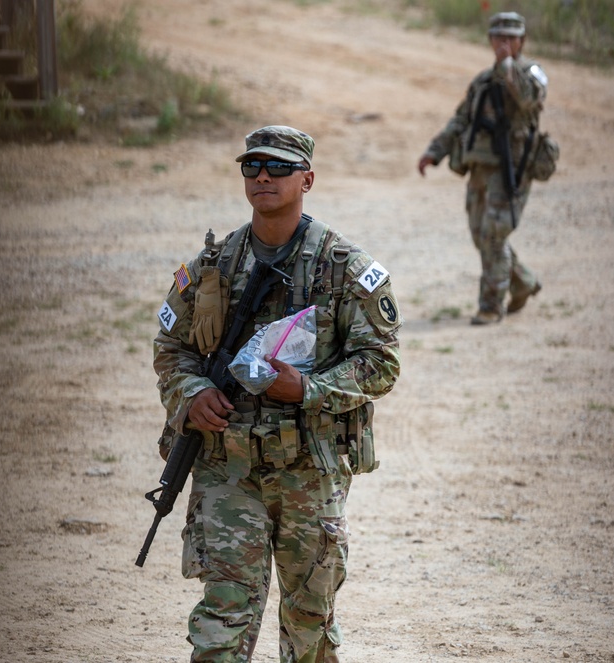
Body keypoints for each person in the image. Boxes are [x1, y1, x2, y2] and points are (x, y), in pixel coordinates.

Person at [153, 125, 402, 662]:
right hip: (228, 469)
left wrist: (310, 388)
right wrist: (192, 393)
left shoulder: (347, 268)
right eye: (252, 166)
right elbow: (170, 347)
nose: (263, 176)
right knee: (220, 625)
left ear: (307, 179)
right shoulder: (210, 268)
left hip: (308, 472)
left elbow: (382, 361)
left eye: (280, 167)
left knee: (310, 626)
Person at [417, 11, 547, 325]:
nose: (503, 43)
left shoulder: (531, 74)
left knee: (493, 237)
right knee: (481, 236)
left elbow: (529, 99)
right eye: (498, 38)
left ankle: (491, 306)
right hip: (480, 169)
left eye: (510, 38)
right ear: (490, 41)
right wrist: (435, 151)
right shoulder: (483, 81)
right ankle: (524, 281)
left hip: (510, 171)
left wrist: (507, 66)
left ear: (521, 41)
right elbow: (461, 120)